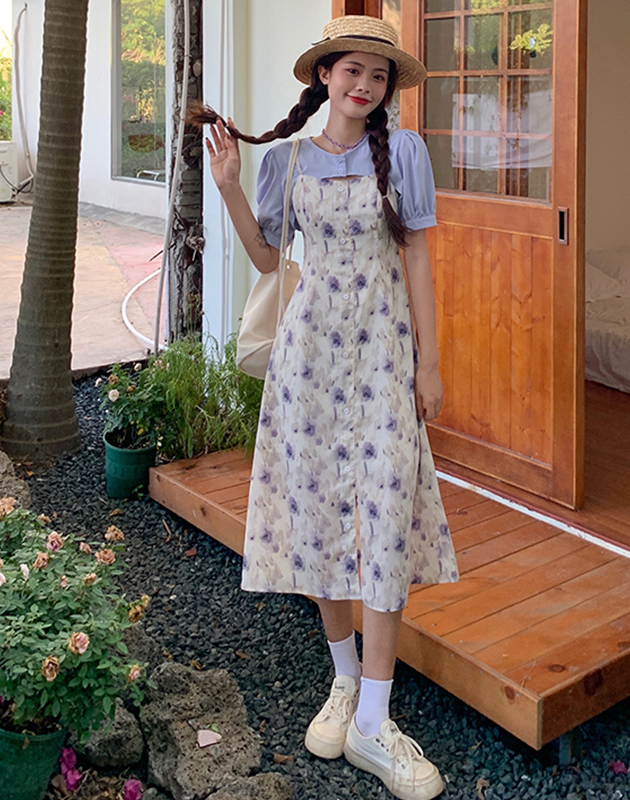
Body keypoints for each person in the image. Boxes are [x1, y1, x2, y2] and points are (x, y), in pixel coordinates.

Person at [189, 15, 458, 800]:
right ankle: (345, 681)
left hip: (381, 360)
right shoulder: (288, 159)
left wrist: (430, 368)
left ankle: (374, 718)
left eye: (378, 76)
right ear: (324, 77)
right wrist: (232, 188)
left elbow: (418, 261)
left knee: (381, 513)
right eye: (352, 70)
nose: (365, 85)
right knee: (316, 514)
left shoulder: (402, 154)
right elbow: (270, 258)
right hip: (306, 364)